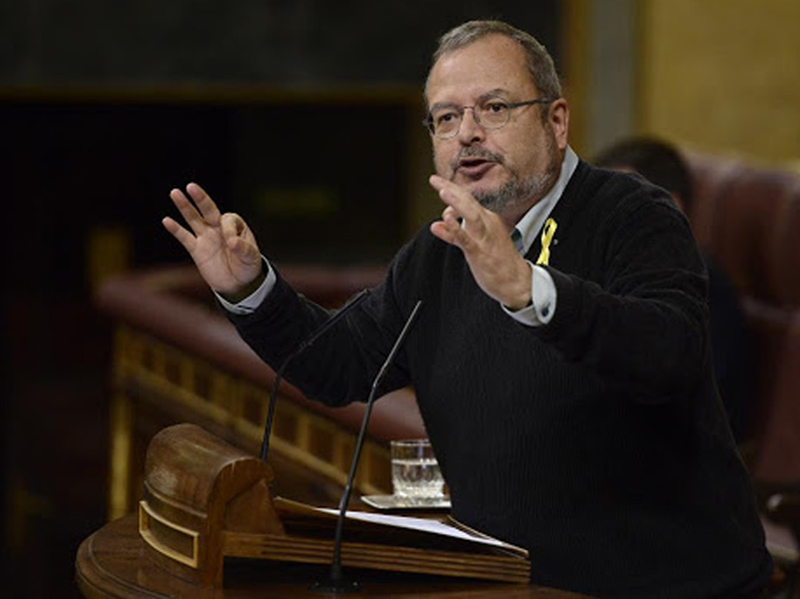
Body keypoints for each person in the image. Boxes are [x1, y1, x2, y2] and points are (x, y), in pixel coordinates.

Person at [163, 20, 771, 598]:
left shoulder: (634, 215)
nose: (468, 133)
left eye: (495, 108)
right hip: (506, 585)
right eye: (447, 118)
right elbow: (337, 364)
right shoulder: (438, 253)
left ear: (557, 122)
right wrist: (250, 290)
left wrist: (530, 290)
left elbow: (669, 352)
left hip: (666, 589)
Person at [593, 136, 756, 443]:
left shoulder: (699, 286)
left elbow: (696, 415)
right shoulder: (618, 272)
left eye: (616, 204)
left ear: (669, 206)